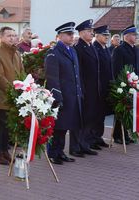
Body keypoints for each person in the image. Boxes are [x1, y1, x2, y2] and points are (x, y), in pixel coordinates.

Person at [45, 22, 82, 165]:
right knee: (57, 126)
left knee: (65, 126)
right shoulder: (54, 52)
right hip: (61, 96)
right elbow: (52, 77)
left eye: (72, 34)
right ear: (60, 36)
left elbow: (76, 74)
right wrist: (57, 97)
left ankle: (60, 152)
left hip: (72, 95)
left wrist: (79, 92)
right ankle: (53, 153)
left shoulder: (72, 51)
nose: (72, 37)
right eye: (69, 34)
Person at [0, 26, 24, 165]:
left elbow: (22, 73)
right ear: (1, 37)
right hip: (1, 95)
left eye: (14, 35)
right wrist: (13, 91)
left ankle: (5, 151)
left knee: (8, 126)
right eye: (9, 35)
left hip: (15, 95)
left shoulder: (16, 53)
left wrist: (24, 88)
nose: (12, 38)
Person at [73, 19, 102, 156]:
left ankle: (85, 143)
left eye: (92, 31)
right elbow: (78, 71)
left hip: (94, 88)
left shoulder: (91, 46)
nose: (92, 33)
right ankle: (77, 146)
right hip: (85, 89)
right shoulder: (78, 48)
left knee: (90, 117)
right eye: (89, 31)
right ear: (82, 33)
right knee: (82, 119)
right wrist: (81, 90)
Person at [112, 25, 139, 144]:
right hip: (124, 84)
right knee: (122, 110)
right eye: (134, 35)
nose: (136, 36)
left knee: (131, 111)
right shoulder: (119, 50)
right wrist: (120, 84)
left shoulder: (136, 49)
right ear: (127, 36)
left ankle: (127, 133)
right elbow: (116, 68)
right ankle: (118, 135)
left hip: (135, 84)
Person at [92, 25, 113, 148]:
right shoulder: (96, 48)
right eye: (104, 35)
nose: (106, 37)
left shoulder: (105, 48)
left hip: (106, 86)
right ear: (97, 35)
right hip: (98, 86)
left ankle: (98, 136)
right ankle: (94, 138)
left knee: (102, 114)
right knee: (97, 114)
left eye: (107, 35)